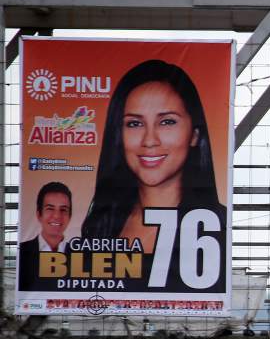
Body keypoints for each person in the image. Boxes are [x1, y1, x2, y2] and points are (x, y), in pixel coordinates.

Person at [80, 59, 226, 292]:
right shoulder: (99, 224)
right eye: (135, 123)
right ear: (119, 135)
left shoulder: (217, 223)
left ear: (195, 135)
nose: (149, 140)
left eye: (167, 122)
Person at [19, 181, 73, 291]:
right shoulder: (22, 252)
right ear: (39, 214)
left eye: (63, 210)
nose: (57, 216)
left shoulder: (82, 254)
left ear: (70, 216)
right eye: (50, 208)